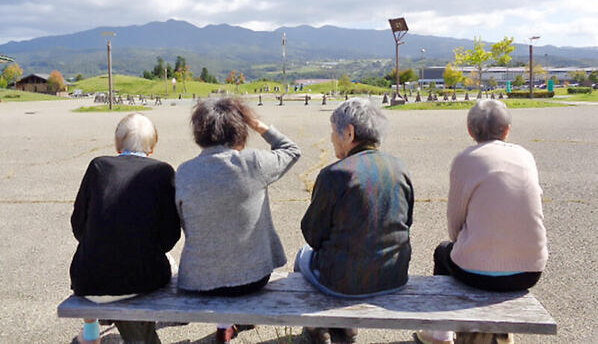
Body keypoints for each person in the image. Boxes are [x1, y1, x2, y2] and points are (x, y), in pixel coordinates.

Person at [414, 100, 548, 344]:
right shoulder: (525, 156)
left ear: (470, 130)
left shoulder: (465, 159)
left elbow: (455, 223)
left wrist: (464, 241)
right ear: (507, 129)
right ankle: (501, 332)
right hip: (530, 270)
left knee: (443, 252)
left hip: (478, 274)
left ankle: (440, 333)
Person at [176, 97, 301, 343]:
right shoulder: (253, 162)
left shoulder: (184, 172)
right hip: (253, 279)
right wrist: (259, 125)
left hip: (199, 281)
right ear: (239, 129)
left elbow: (185, 223)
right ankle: (231, 322)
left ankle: (227, 324)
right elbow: (292, 150)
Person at [297, 97, 414, 344]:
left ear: (349, 133)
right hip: (394, 276)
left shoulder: (334, 174)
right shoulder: (399, 168)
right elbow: (406, 222)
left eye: (333, 132)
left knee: (301, 257)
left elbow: (312, 234)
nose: (331, 138)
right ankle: (348, 328)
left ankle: (318, 328)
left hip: (341, 283)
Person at [70, 113, 181, 344]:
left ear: (117, 144)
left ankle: (91, 332)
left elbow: (78, 226)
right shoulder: (162, 172)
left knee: (94, 254)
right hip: (143, 280)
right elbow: (170, 236)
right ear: (152, 147)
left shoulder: (98, 166)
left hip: (88, 280)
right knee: (161, 261)